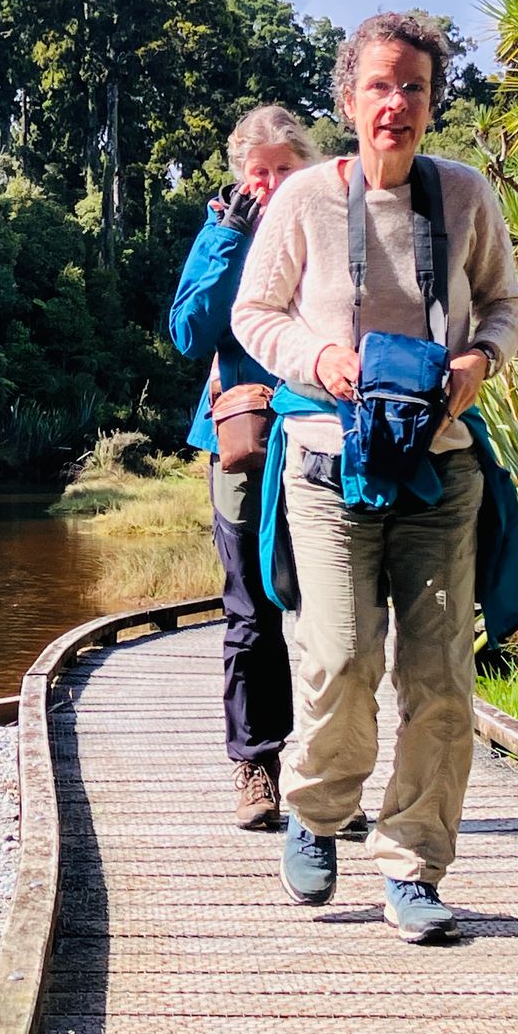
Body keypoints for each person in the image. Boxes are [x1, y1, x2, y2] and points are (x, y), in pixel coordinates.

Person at [231, 12, 518, 943]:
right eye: (379, 86)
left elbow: (507, 305)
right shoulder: (308, 201)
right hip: (328, 463)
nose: (396, 103)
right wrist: (323, 363)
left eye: (414, 87)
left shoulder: (466, 196)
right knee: (343, 656)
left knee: (440, 677)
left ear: (432, 101)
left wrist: (482, 359)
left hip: (439, 469)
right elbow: (255, 312)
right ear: (348, 98)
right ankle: (316, 811)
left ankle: (413, 866)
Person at [167, 104, 314, 831]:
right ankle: (255, 768)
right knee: (250, 611)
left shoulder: (333, 223)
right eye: (260, 174)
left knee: (327, 611)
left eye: (286, 170)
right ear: (240, 177)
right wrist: (230, 237)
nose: (273, 185)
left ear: (307, 166)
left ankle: (323, 776)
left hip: (324, 431)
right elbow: (191, 334)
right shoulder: (220, 230)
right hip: (243, 438)